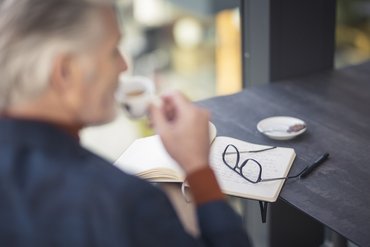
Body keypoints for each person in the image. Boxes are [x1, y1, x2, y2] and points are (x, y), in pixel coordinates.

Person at [0, 0, 251, 246]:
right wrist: (198, 170)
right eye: (113, 50)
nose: (124, 64)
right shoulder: (123, 202)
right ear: (64, 72)